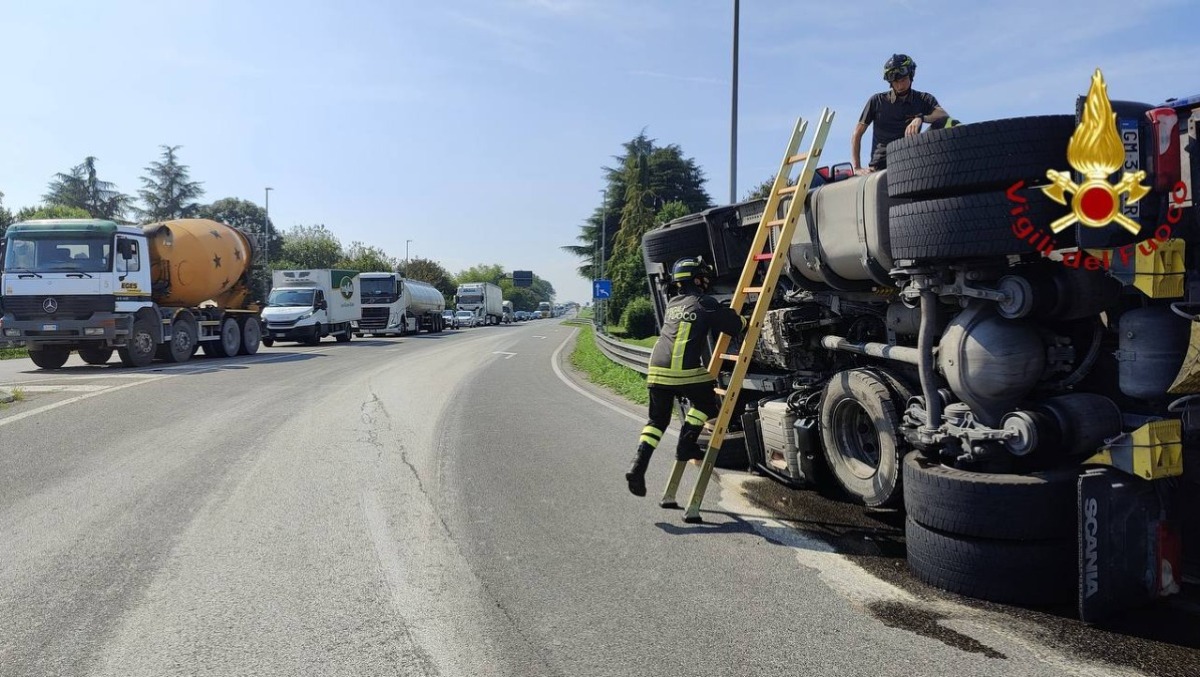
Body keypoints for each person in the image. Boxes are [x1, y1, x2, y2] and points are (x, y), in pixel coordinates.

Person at [625, 257, 747, 497]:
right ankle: (686, 445)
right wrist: (744, 319)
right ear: (696, 280)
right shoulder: (704, 302)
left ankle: (637, 466)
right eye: (703, 277)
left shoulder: (673, 304)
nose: (706, 281)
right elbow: (734, 326)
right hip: (683, 371)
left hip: (656, 370)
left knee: (656, 422)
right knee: (706, 403)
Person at [851, 53, 951, 174]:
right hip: (881, 166)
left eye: (903, 80)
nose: (899, 85)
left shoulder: (923, 99)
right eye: (895, 82)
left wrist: (921, 118)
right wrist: (857, 168)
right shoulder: (877, 101)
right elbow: (857, 133)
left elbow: (943, 115)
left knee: (948, 123)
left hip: (911, 161)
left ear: (911, 75)